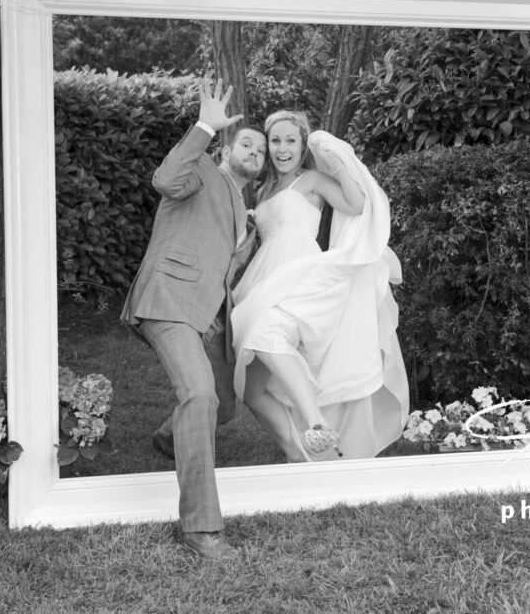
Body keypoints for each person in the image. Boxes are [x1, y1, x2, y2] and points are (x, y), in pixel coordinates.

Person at [120, 75, 265, 560]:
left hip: (209, 313)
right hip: (170, 299)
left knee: (223, 405)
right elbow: (164, 179)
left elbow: (224, 264)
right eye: (247, 142)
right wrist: (205, 124)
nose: (256, 151)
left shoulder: (243, 205)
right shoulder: (200, 168)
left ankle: (168, 440)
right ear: (226, 148)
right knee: (199, 394)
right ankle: (201, 529)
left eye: (262, 151)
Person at [231, 110, 409, 463]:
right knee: (252, 391)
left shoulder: (310, 180)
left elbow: (357, 204)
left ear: (301, 146)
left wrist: (334, 156)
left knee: (267, 333)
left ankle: (315, 421)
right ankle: (302, 457)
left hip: (300, 273)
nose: (282, 149)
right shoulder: (265, 188)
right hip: (267, 275)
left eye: (291, 141)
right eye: (276, 142)